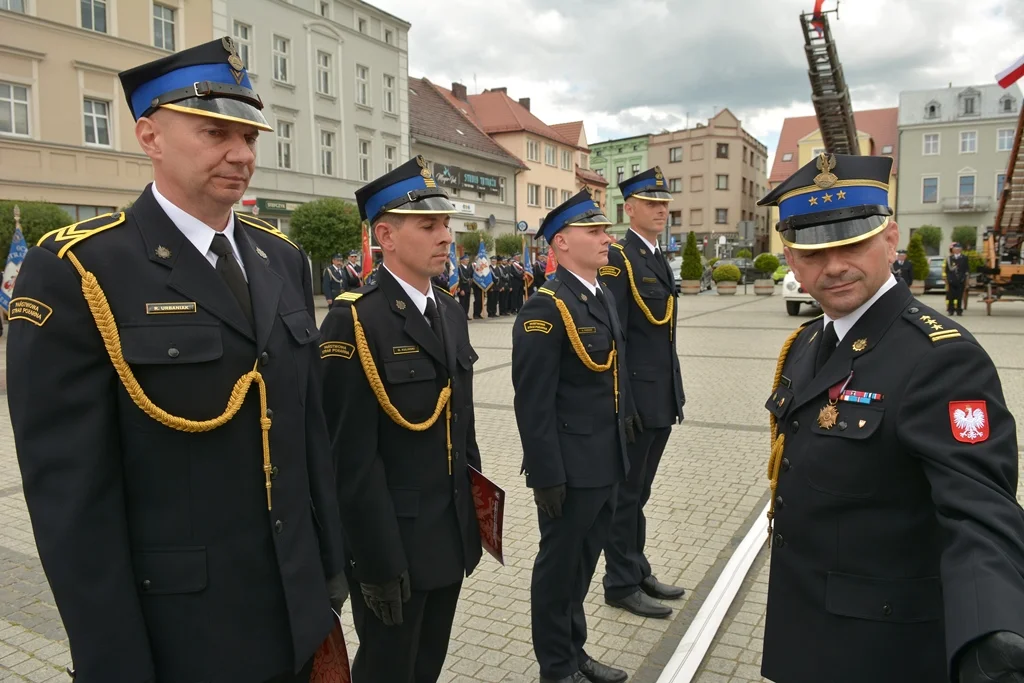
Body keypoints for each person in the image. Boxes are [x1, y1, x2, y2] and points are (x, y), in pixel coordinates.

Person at [7, 38, 347, 683]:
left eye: (250, 136)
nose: (242, 154)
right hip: (180, 626)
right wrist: (113, 657)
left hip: (295, 601)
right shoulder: (81, 267)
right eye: (215, 132)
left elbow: (308, 432)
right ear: (149, 136)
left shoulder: (283, 258)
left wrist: (329, 563)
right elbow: (70, 495)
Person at [757, 153, 1024, 683]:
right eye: (813, 251)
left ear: (890, 239)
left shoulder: (940, 356)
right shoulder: (810, 340)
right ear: (790, 257)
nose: (833, 266)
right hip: (806, 618)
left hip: (880, 645)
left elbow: (979, 511)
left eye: (852, 243)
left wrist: (990, 635)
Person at [319, 155, 483, 683]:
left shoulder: (450, 310)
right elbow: (349, 460)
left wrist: (475, 519)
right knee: (387, 669)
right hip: (394, 544)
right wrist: (375, 563)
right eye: (428, 225)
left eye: (446, 225)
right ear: (385, 236)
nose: (445, 237)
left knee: (427, 663)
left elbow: (463, 427)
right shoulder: (354, 321)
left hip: (449, 531)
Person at [512, 189, 639, 683]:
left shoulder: (599, 292)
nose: (608, 238)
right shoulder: (544, 309)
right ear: (561, 242)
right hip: (569, 468)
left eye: (605, 230)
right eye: (595, 232)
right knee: (558, 570)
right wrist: (546, 475)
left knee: (582, 567)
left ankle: (575, 651)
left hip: (607, 460)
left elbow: (616, 371)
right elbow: (533, 400)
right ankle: (556, 668)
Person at [599, 167, 686, 619]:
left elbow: (663, 335)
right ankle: (619, 583)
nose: (661, 209)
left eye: (664, 203)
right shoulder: (620, 259)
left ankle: (637, 567)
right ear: (628, 208)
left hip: (660, 396)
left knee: (641, 492)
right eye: (651, 203)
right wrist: (623, 402)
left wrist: (675, 390)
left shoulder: (656, 256)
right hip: (636, 401)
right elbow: (617, 337)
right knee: (626, 495)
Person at [946, 241, 969, 316]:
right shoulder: (950, 258)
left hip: (960, 279)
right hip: (952, 279)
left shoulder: (964, 258)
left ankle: (959, 310)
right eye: (955, 249)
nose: (957, 250)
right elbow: (947, 270)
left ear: (961, 249)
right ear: (953, 250)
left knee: (959, 296)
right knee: (951, 296)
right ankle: (951, 310)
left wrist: (964, 278)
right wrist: (949, 279)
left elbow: (966, 269)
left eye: (958, 248)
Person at [458, 252, 473, 318]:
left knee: (467, 302)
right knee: (462, 303)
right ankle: (462, 316)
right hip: (463, 288)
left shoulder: (469, 267)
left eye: (468, 260)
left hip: (468, 287)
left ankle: (466, 314)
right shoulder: (459, 268)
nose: (467, 261)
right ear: (462, 261)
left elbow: (471, 277)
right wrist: (461, 289)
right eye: (466, 260)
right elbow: (459, 280)